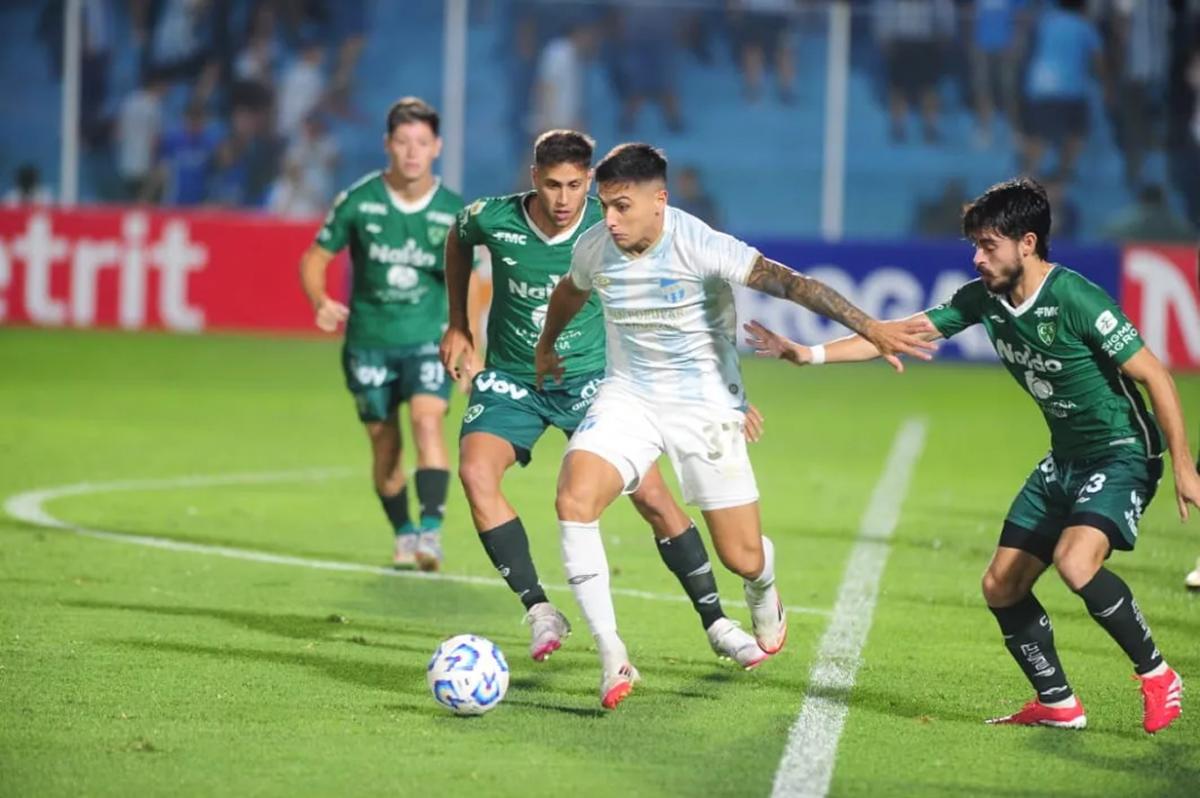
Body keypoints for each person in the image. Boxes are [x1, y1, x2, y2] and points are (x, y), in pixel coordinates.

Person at [746, 177, 1192, 734]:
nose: (977, 258)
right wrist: (806, 354)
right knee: (1001, 585)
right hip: (1065, 459)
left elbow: (1155, 375)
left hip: (1122, 452)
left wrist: (1183, 466)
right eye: (975, 245)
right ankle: (1057, 702)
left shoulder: (1076, 298)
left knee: (1077, 562)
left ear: (1027, 243)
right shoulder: (982, 299)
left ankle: (1157, 674)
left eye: (988, 245)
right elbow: (896, 334)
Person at [533, 142, 933, 708]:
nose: (610, 219)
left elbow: (795, 285)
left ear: (659, 200)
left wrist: (871, 328)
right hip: (628, 397)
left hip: (705, 407)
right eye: (605, 205)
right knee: (574, 499)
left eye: (622, 206)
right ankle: (611, 653)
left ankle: (763, 585)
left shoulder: (700, 244)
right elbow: (569, 292)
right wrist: (547, 345)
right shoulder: (596, 246)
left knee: (741, 556)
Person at [440, 130, 766, 669]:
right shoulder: (491, 217)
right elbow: (457, 236)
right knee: (475, 473)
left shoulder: (612, 222)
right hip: (513, 378)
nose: (563, 198)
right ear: (534, 179)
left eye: (574, 185)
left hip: (595, 381)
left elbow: (684, 304)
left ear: (590, 180)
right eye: (552, 185)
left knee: (654, 499)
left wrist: (720, 391)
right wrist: (458, 324)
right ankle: (540, 609)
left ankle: (717, 622)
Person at [299, 97, 458, 570]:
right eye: (403, 142)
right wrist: (320, 300)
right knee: (386, 447)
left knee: (427, 423)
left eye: (421, 143)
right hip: (369, 343)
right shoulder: (359, 200)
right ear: (388, 144)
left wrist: (466, 336)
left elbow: (471, 280)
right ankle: (404, 532)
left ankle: (431, 531)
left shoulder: (453, 211)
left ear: (437, 147)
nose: (412, 152)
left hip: (427, 339)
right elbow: (315, 257)